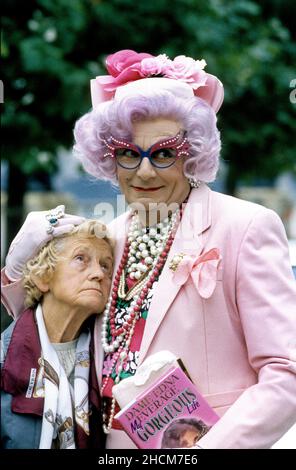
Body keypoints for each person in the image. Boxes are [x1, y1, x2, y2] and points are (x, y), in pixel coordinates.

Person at [1, 50, 296, 449]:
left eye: (163, 154)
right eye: (127, 153)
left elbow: (286, 374)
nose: (143, 171)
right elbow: (50, 325)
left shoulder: (244, 227)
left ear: (191, 153)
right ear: (109, 158)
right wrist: (15, 271)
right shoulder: (108, 238)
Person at [1, 215, 113, 448]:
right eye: (81, 258)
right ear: (43, 277)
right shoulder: (4, 361)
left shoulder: (113, 362)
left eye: (105, 265)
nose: (99, 274)